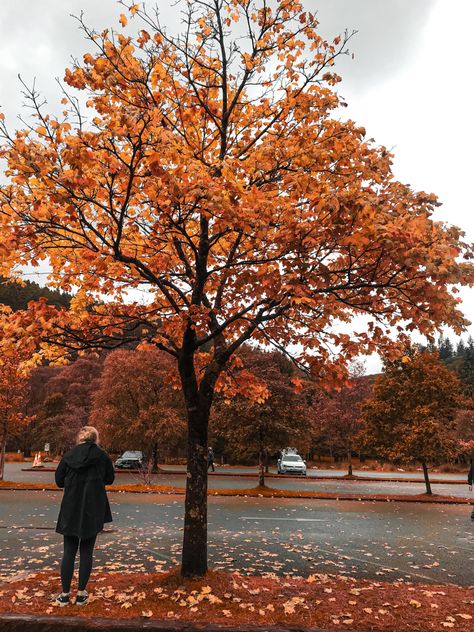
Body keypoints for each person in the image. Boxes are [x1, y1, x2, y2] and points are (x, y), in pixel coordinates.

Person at [54, 426, 115, 606]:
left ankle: (64, 594)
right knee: (87, 551)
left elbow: (58, 481)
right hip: (93, 507)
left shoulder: (68, 456)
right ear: (96, 438)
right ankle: (81, 594)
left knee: (69, 551)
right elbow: (110, 479)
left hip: (71, 506)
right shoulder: (102, 456)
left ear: (79, 438)